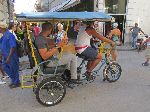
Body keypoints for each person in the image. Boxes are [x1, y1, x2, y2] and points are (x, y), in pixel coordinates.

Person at [0, 20, 20, 88]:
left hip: (11, 56)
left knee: (14, 69)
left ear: (1, 28)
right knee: (4, 67)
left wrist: (9, 57)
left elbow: (13, 47)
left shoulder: (9, 35)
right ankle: (14, 80)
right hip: (5, 56)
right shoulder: (4, 35)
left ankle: (16, 82)